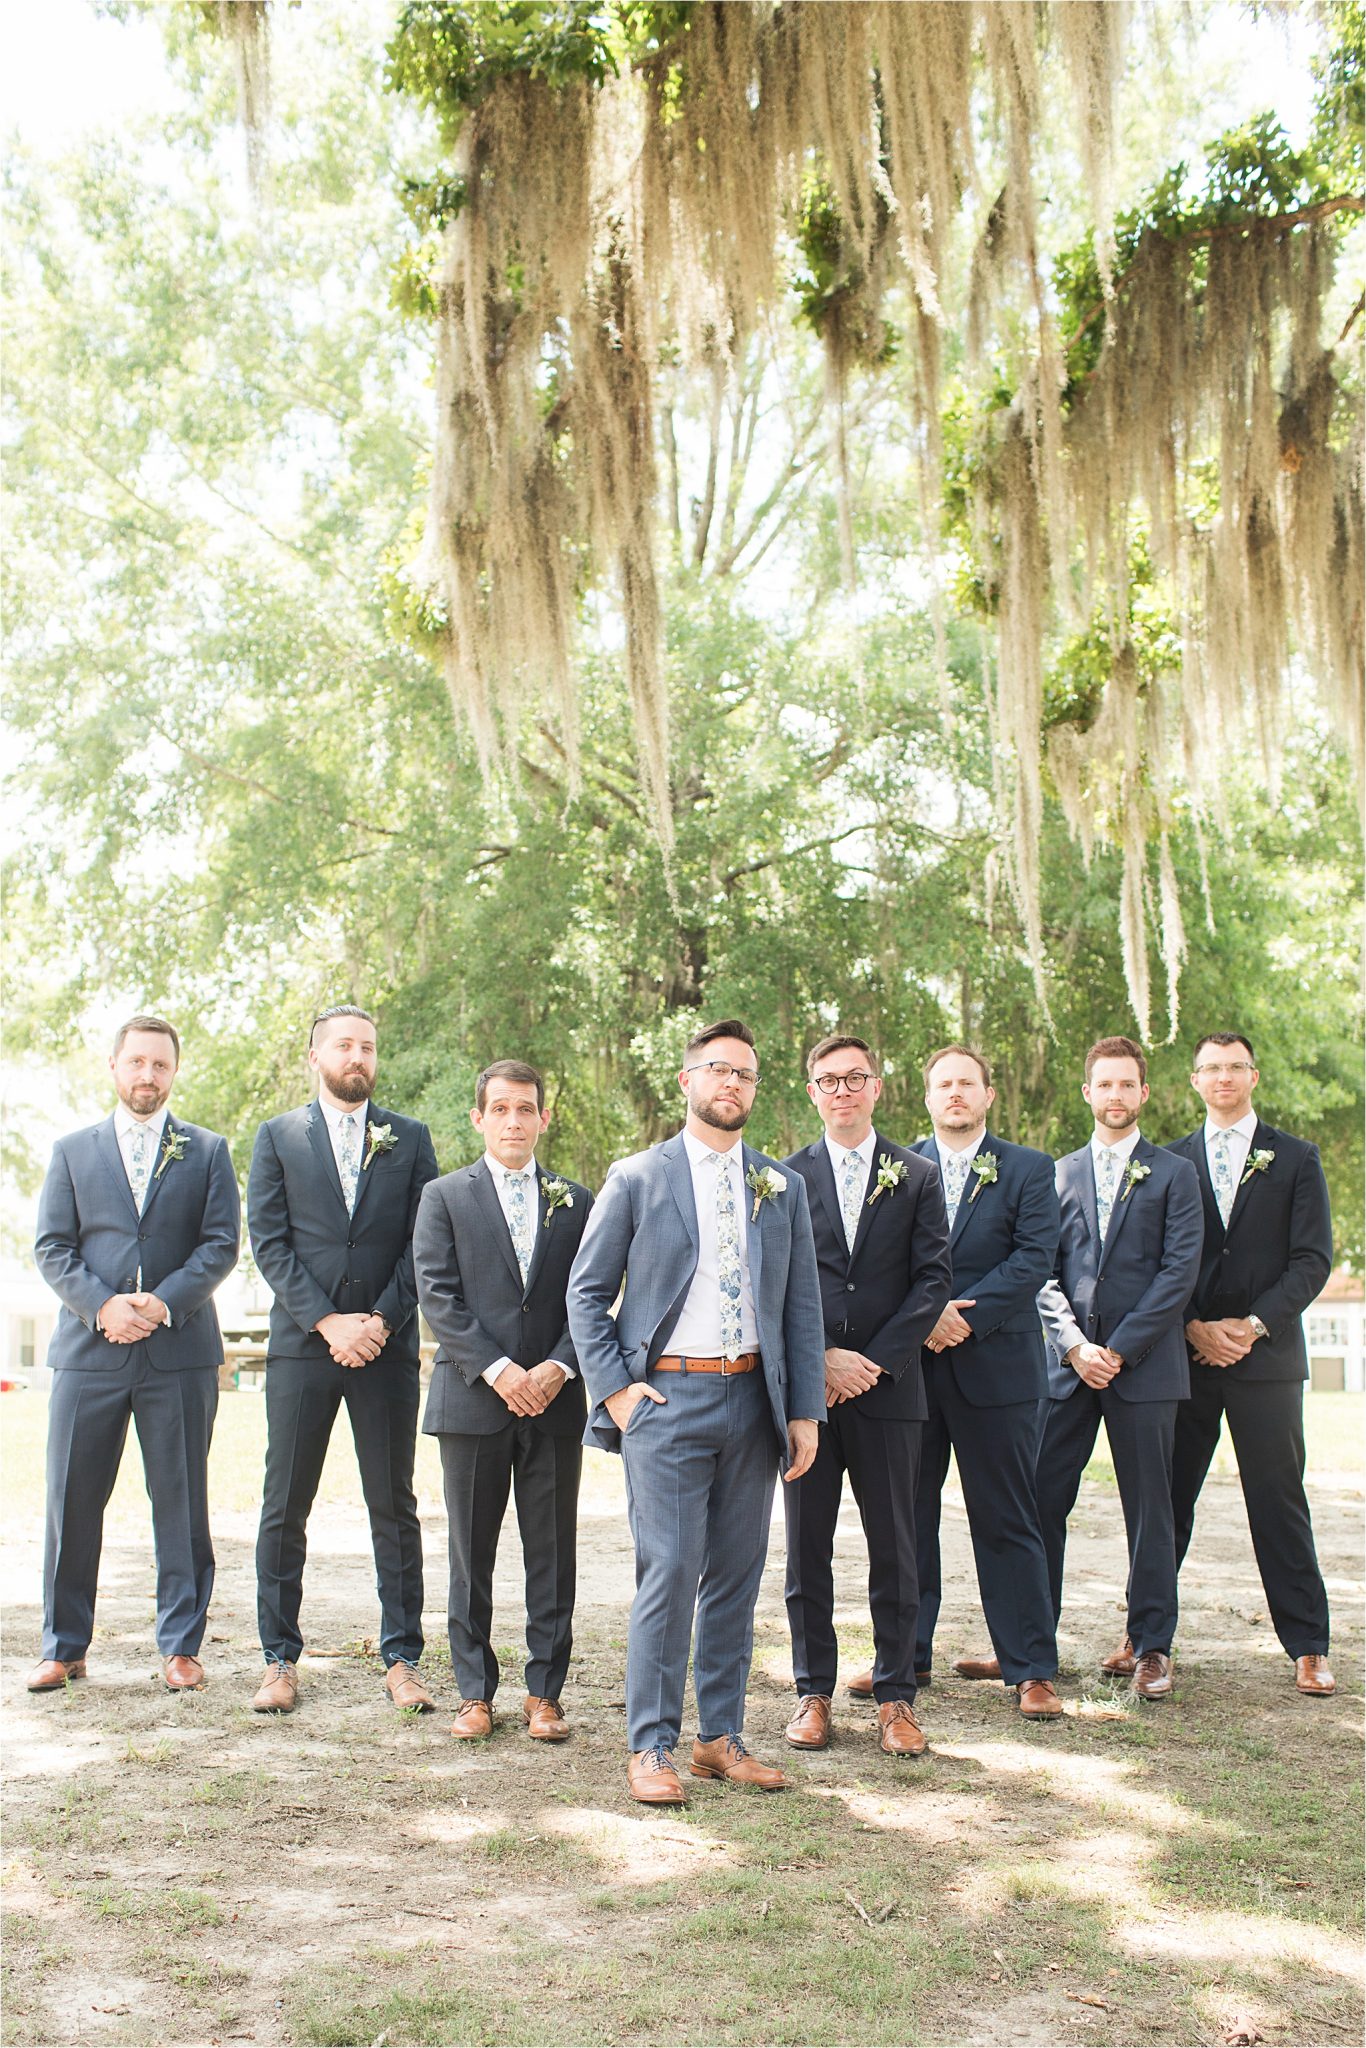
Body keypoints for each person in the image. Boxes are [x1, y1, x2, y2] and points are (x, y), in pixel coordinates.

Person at [567, 1018, 825, 1805]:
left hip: (754, 1401)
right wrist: (615, 1389)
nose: (733, 1085)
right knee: (671, 1570)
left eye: (746, 1074)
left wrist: (804, 1410)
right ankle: (651, 1746)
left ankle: (720, 1737)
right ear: (688, 1082)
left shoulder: (782, 1184)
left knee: (738, 1576)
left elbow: (802, 1308)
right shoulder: (638, 1176)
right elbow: (585, 1292)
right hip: (666, 1401)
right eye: (719, 1070)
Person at [31, 1015, 240, 1693]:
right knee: (72, 1499)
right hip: (88, 1354)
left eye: (160, 1064)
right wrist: (104, 1307)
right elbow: (53, 1247)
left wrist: (162, 1303)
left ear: (173, 1072)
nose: (147, 1075)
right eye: (137, 1063)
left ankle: (180, 1646)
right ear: (115, 1068)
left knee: (180, 1502)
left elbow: (219, 1244)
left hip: (178, 1352)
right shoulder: (71, 1151)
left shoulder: (207, 1151)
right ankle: (64, 1647)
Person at [247, 1006, 439, 1714]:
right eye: (343, 1045)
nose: (356, 1056)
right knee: (284, 1504)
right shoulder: (276, 1138)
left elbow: (428, 1243)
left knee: (394, 1505)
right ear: (314, 1056)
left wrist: (382, 1321)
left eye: (367, 1047)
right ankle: (278, 1658)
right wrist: (329, 1322)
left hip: (386, 1350)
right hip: (304, 1346)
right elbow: (269, 1243)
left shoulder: (410, 1139)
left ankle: (403, 1658)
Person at [780, 1034, 951, 1758]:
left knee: (897, 1548)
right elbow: (776, 1286)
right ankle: (812, 1692)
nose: (843, 1090)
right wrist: (818, 1360)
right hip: (810, 1397)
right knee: (805, 1550)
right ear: (812, 1093)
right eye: (829, 1080)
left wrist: (873, 1363)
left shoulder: (917, 1175)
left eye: (856, 1078)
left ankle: (896, 1697)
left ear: (877, 1088)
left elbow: (933, 1281)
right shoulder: (782, 1178)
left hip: (889, 1392)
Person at [414, 1060, 594, 1743]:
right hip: (472, 1402)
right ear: (479, 1118)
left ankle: (545, 1692)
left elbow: (595, 1294)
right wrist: (497, 1370)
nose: (514, 1121)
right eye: (501, 1109)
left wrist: (555, 1367)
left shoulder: (577, 1201)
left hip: (553, 1401)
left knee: (552, 1551)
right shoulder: (443, 1198)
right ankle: (473, 1691)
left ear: (544, 1118)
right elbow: (438, 1295)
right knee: (470, 1551)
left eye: (526, 1109)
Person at [1163, 1032, 1335, 1696]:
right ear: (1195, 1081)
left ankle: (1309, 1646)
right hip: (1186, 1359)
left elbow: (1312, 1259)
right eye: (1211, 1068)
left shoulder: (1296, 1158)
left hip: (1267, 1361)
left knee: (1279, 1500)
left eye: (1235, 1067)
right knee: (1168, 1499)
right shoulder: (1171, 1161)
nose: (1223, 1077)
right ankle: (1146, 1637)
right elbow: (1154, 1260)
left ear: (1253, 1076)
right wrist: (1191, 1327)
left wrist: (1254, 1324)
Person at [898, 1043, 1063, 1719]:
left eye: (968, 1082)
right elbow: (878, 1263)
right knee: (908, 1519)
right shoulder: (897, 1168)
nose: (956, 1093)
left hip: (998, 1371)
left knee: (1008, 1519)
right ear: (929, 1097)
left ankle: (1030, 1668)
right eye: (944, 1084)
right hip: (912, 1372)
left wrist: (965, 1318)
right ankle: (904, 1658)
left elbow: (1035, 1257)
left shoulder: (1028, 1168)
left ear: (988, 1094)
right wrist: (923, 1318)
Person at [1036, 1036, 1203, 1701]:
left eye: (1126, 1084)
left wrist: (1121, 1349)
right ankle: (1031, 1641)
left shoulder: (1174, 1173)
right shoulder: (1057, 1173)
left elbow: (1178, 1273)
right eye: (1103, 1084)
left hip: (1146, 1369)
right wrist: (1076, 1346)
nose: (1115, 1095)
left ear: (1144, 1093)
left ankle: (1152, 1646)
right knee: (1043, 1499)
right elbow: (1040, 1274)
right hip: (1068, 1368)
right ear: (1088, 1093)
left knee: (1150, 1510)